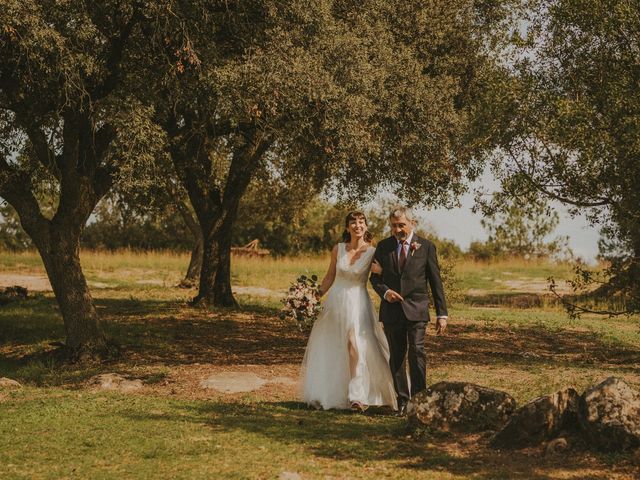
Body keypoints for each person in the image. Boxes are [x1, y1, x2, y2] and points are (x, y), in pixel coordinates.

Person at [300, 211, 397, 411]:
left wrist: (382, 271)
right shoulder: (338, 249)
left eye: (361, 222)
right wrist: (311, 298)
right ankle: (330, 392)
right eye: (353, 222)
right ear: (347, 227)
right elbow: (329, 278)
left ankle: (357, 396)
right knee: (333, 345)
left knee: (354, 343)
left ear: (366, 226)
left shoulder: (372, 252)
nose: (357, 225)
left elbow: (385, 273)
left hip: (357, 302)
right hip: (335, 301)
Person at [370, 206, 448, 416]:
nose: (398, 229)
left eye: (401, 225)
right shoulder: (383, 247)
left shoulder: (426, 247)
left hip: (417, 310)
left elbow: (435, 281)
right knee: (396, 357)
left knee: (417, 353)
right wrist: (385, 293)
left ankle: (420, 401)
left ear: (412, 223)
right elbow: (375, 278)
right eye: (394, 226)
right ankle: (403, 402)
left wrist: (442, 313)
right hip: (392, 311)